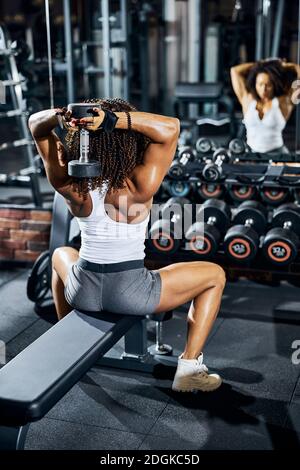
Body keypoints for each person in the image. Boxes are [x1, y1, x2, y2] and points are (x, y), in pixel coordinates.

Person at [28, 98, 226, 393]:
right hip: (132, 293)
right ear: (129, 143)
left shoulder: (69, 184)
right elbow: (171, 128)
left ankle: (65, 337)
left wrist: (62, 116)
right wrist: (113, 119)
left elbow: (35, 124)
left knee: (60, 254)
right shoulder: (139, 184)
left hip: (82, 289)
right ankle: (189, 369)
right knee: (214, 275)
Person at [230, 59, 299, 154]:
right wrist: (262, 65)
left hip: (278, 154)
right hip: (251, 154)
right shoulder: (247, 100)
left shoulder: (284, 102)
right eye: (260, 84)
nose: (264, 89)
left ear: (274, 85)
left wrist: (283, 66)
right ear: (255, 84)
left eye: (268, 85)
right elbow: (235, 71)